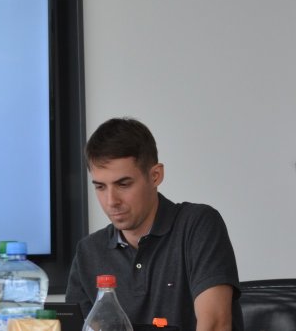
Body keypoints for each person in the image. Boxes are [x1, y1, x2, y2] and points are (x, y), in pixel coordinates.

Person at [66, 117, 243, 331]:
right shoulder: (88, 252)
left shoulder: (198, 225)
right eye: (100, 187)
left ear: (155, 176)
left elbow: (215, 325)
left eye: (123, 184)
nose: (111, 201)